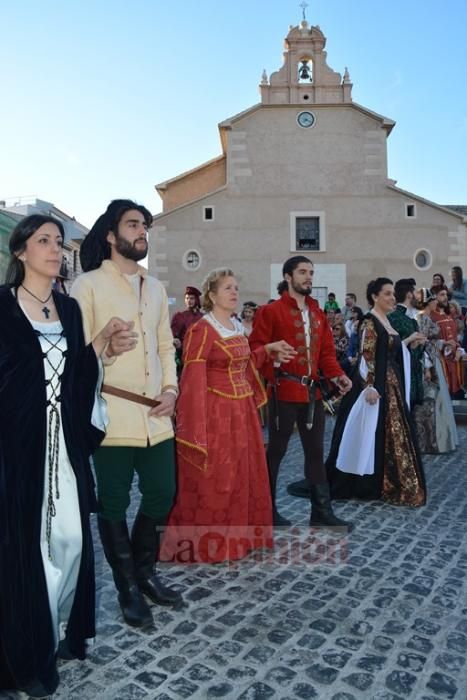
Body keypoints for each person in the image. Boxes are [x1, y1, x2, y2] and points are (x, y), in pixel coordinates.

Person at [0, 214, 131, 698]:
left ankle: (55, 628)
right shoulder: (2, 305)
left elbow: (76, 372)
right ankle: (29, 651)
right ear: (21, 252)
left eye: (58, 241)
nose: (55, 249)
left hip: (64, 445)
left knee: (72, 541)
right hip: (16, 450)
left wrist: (101, 347)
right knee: (27, 549)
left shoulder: (69, 310)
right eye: (43, 241)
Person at [71, 199, 183, 629]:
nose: (142, 232)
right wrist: (105, 347)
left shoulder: (154, 288)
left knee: (162, 493)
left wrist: (172, 390)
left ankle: (145, 571)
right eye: (133, 224)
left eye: (145, 226)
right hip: (111, 412)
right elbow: (77, 356)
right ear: (111, 235)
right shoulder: (88, 286)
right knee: (114, 504)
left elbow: (164, 346)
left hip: (157, 414)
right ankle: (127, 588)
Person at [160, 269, 295, 563]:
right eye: (227, 288)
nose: (234, 293)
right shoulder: (202, 329)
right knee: (217, 475)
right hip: (216, 411)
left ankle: (240, 538)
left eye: (236, 287)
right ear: (211, 295)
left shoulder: (234, 326)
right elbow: (192, 378)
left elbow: (243, 363)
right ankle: (211, 542)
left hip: (242, 412)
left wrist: (267, 350)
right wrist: (193, 423)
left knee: (242, 474)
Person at [249, 256, 352, 527]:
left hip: (313, 395)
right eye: (302, 272)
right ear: (287, 277)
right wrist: (273, 366)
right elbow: (256, 349)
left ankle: (321, 513)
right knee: (276, 451)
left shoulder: (318, 313)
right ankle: (265, 512)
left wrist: (338, 375)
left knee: (316, 453)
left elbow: (327, 354)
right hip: (283, 391)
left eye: (311, 273)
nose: (308, 277)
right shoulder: (270, 312)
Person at [326, 278, 426, 506]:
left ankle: (384, 480)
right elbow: (366, 355)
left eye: (393, 294)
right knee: (371, 432)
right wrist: (369, 386)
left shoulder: (385, 320)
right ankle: (367, 482)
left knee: (388, 433)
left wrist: (408, 343)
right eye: (388, 294)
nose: (392, 298)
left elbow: (391, 348)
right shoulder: (370, 322)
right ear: (375, 297)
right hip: (377, 386)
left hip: (391, 384)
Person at [414, 288, 458, 453]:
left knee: (438, 400)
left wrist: (445, 344)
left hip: (434, 360)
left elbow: (431, 341)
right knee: (430, 402)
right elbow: (422, 344)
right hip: (428, 364)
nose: (435, 303)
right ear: (428, 302)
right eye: (433, 300)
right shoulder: (421, 318)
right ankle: (430, 441)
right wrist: (427, 367)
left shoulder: (426, 318)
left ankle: (440, 439)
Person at [387, 278, 426, 407]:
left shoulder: (411, 320)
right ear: (409, 294)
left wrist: (419, 345)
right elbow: (390, 348)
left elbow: (416, 352)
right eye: (415, 292)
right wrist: (410, 342)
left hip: (414, 378)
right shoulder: (393, 317)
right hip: (402, 378)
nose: (417, 296)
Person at [430, 287, 465, 399]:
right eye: (442, 295)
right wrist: (444, 343)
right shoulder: (431, 317)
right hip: (440, 363)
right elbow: (428, 340)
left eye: (446, 295)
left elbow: (455, 340)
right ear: (434, 297)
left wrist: (459, 350)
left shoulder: (449, 316)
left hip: (455, 362)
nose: (445, 298)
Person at [170, 286, 203, 373]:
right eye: (187, 298)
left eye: (192, 298)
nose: (189, 301)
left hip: (201, 354)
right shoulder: (179, 316)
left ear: (196, 300)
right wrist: (175, 341)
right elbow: (173, 335)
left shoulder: (203, 317)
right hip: (184, 354)